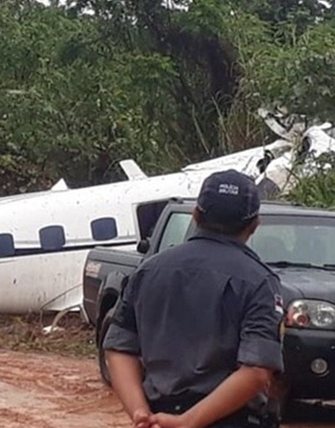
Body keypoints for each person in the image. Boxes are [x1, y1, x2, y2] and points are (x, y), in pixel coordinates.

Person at [103, 169, 284, 428]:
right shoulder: (259, 281)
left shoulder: (149, 270)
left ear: (196, 215)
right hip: (230, 420)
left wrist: (140, 413)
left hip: (158, 418)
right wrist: (187, 422)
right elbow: (256, 371)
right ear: (255, 223)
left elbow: (119, 348)